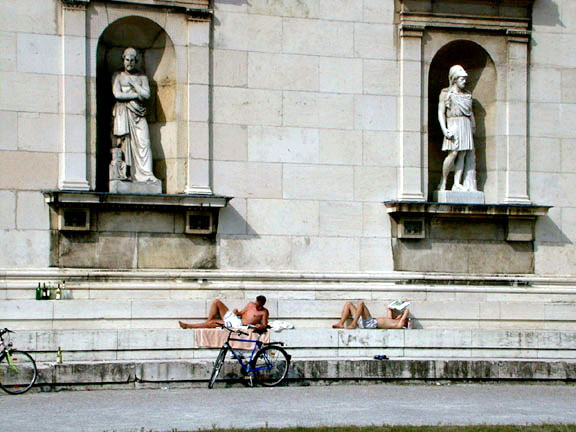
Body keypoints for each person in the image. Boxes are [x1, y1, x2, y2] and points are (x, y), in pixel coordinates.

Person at [112, 47, 159, 184]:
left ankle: (146, 174)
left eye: (132, 61)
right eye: (127, 60)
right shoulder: (118, 75)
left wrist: (134, 85)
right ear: (123, 59)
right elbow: (117, 94)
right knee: (125, 143)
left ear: (136, 61)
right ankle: (125, 174)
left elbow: (147, 94)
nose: (129, 63)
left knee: (144, 142)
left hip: (139, 114)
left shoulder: (141, 77)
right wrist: (135, 95)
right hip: (124, 112)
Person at [437, 65, 477, 192]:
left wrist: (473, 126)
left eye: (465, 79)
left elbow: (471, 113)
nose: (464, 81)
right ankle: (443, 181)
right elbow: (440, 112)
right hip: (453, 123)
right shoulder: (445, 93)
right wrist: (444, 129)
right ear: (454, 79)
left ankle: (456, 183)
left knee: (463, 154)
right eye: (462, 79)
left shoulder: (467, 95)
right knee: (453, 153)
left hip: (465, 124)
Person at [179, 296, 269, 331]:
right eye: (256, 304)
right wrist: (236, 312)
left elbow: (265, 324)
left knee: (211, 323)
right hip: (235, 318)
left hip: (238, 324)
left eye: (259, 306)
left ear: (262, 304)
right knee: (216, 302)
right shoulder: (250, 304)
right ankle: (207, 323)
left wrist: (260, 326)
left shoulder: (264, 312)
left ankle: (188, 326)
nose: (256, 306)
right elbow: (241, 313)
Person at [331, 301, 409, 329]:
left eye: (401, 316)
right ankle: (341, 323)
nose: (399, 315)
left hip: (370, 324)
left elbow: (406, 311)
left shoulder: (399, 324)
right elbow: (389, 309)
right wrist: (402, 303)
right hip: (366, 322)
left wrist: (405, 305)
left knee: (361, 303)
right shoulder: (391, 320)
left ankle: (353, 324)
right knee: (348, 304)